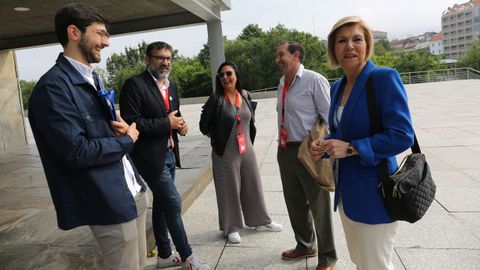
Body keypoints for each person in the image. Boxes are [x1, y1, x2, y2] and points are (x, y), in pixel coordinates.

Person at [28, 3, 148, 270]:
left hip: (132, 192)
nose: (106, 42)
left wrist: (118, 129)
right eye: (100, 33)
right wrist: (127, 140)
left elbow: (94, 131)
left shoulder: (92, 78)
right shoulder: (52, 89)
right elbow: (76, 151)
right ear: (74, 32)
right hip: (110, 203)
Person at [310, 16, 414, 270]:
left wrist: (352, 148)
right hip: (347, 196)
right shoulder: (337, 87)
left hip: (376, 195)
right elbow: (341, 133)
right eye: (341, 41)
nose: (349, 46)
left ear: (367, 44)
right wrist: (324, 145)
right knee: (361, 262)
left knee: (375, 265)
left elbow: (402, 134)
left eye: (357, 39)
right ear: (333, 49)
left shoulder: (383, 78)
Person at [119, 41, 209, 270]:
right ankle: (188, 257)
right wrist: (165, 123)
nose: (165, 62)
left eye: (168, 58)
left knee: (161, 203)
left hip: (170, 153)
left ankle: (165, 254)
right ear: (148, 60)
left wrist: (180, 126)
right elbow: (131, 122)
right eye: (160, 58)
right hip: (149, 158)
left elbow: (174, 115)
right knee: (172, 202)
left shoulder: (172, 86)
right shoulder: (134, 85)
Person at [199, 61, 283, 244]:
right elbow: (203, 126)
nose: (225, 78)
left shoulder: (244, 95)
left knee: (253, 186)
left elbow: (248, 122)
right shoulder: (216, 99)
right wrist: (218, 138)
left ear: (236, 75)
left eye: (229, 73)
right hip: (225, 152)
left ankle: (261, 221)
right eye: (221, 75)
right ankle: (231, 228)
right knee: (228, 190)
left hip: (247, 150)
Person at [274, 41, 337, 270]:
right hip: (286, 150)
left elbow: (329, 118)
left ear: (296, 55)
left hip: (310, 150)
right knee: (295, 204)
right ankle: (305, 245)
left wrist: (326, 146)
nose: (277, 59)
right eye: (277, 55)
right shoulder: (282, 82)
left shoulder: (314, 80)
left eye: (281, 55)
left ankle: (328, 257)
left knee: (319, 206)